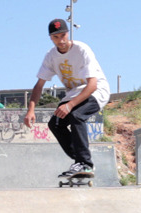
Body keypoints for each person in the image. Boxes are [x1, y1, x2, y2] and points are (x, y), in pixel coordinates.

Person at [24, 18, 110, 177]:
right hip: (75, 93)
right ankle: (79, 160)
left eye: (63, 35)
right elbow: (39, 85)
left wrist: (69, 106)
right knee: (55, 123)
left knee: (77, 115)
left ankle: (85, 163)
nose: (61, 41)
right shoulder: (50, 56)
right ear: (51, 38)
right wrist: (31, 110)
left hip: (97, 91)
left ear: (68, 34)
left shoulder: (82, 49)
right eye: (56, 37)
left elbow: (92, 85)